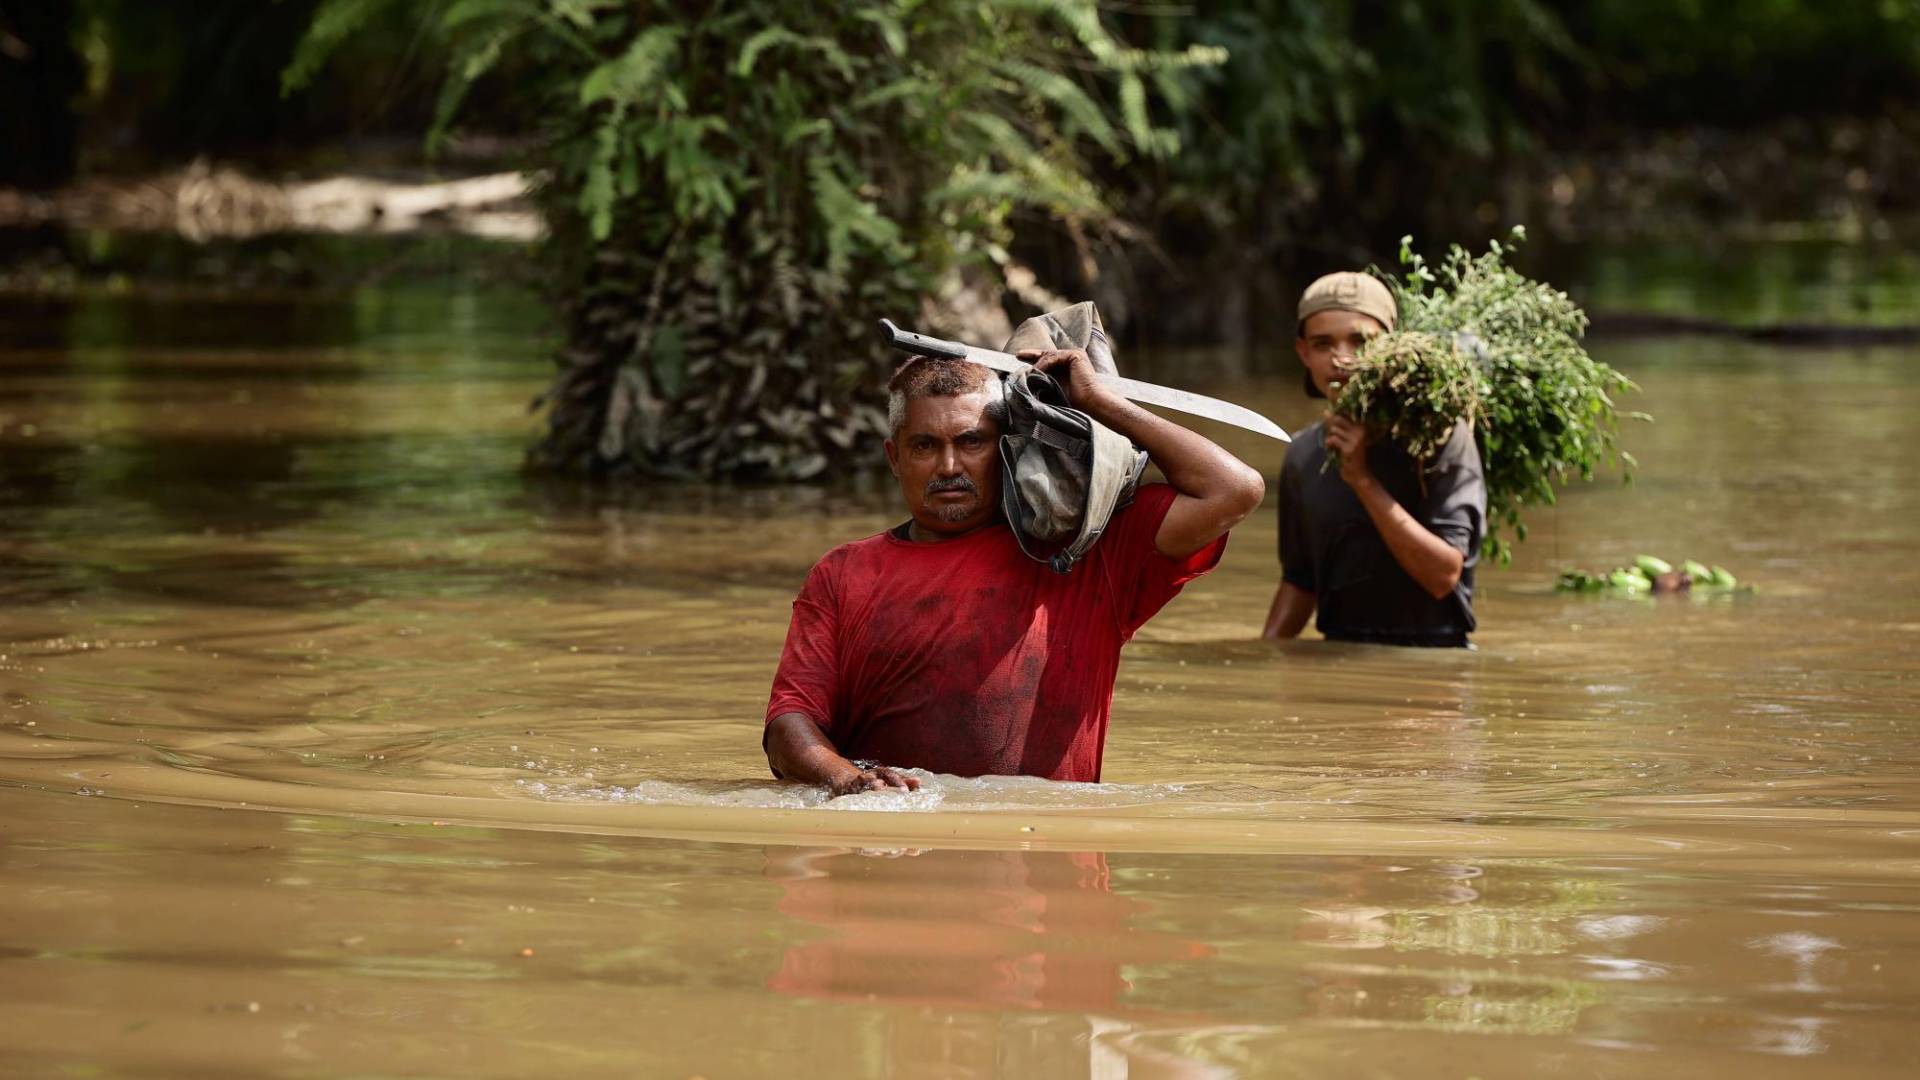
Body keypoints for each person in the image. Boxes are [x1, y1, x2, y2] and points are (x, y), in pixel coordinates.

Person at [764, 348, 1265, 795]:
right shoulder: (844, 573)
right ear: (894, 458)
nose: (949, 466)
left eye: (972, 441)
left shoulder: (1085, 552)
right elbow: (790, 724)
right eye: (924, 446)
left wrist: (1098, 402)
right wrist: (849, 781)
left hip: (1047, 875)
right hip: (893, 852)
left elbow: (1234, 489)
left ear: (1009, 447)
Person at [1261, 272, 1487, 647]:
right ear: (1303, 353)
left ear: (1393, 347)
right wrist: (1263, 660)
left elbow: (1443, 576)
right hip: (1336, 654)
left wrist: (1363, 480)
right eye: (1322, 344)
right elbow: (1301, 582)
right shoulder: (1303, 454)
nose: (1342, 359)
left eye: (1361, 341)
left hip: (1434, 662)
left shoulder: (1441, 439)